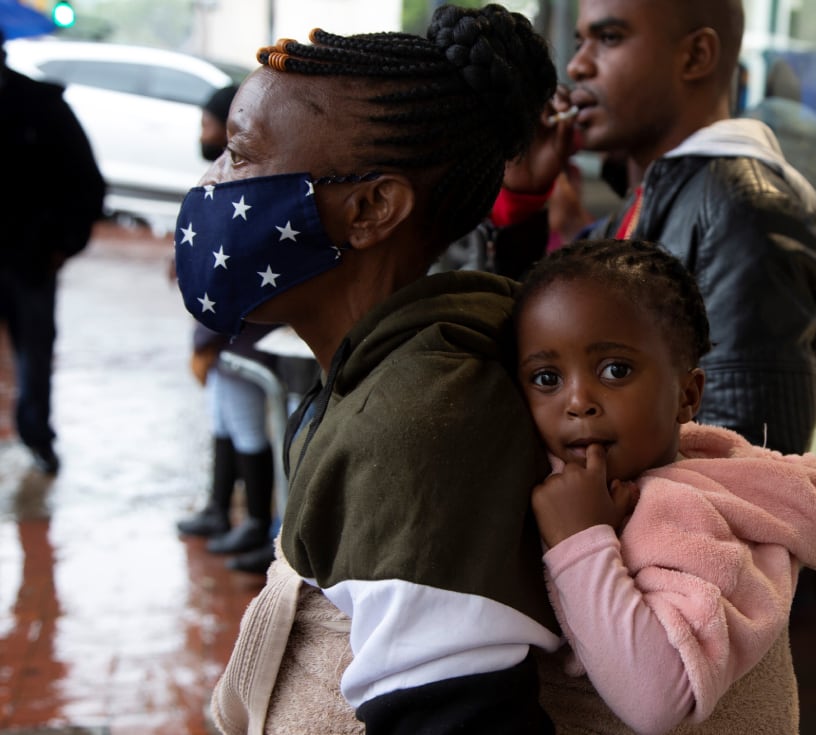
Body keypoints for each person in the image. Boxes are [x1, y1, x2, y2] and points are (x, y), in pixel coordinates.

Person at [184, 6, 562, 732]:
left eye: (240, 154)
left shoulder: (421, 424)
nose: (212, 184)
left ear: (371, 207)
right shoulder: (384, 373)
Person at [514, 238, 816, 733]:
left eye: (615, 370)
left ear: (687, 395)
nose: (577, 400)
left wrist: (580, 542)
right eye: (546, 378)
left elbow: (661, 701)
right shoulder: (543, 478)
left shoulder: (701, 511)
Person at [493, 0, 816, 455]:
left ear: (696, 56)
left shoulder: (743, 211)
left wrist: (585, 527)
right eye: (581, 42)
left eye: (610, 37)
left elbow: (747, 477)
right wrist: (523, 204)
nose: (578, 65)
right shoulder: (650, 201)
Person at [176, 84, 282, 574]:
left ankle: (259, 522)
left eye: (207, 123)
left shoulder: (253, 187)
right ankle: (223, 508)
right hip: (228, 337)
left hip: (243, 335)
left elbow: (232, 269)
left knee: (245, 423)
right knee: (223, 419)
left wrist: (207, 339)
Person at [0, 28, 105, 475]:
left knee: (35, 352)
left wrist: (62, 244)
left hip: (30, 258)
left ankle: (37, 437)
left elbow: (87, 182)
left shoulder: (40, 106)